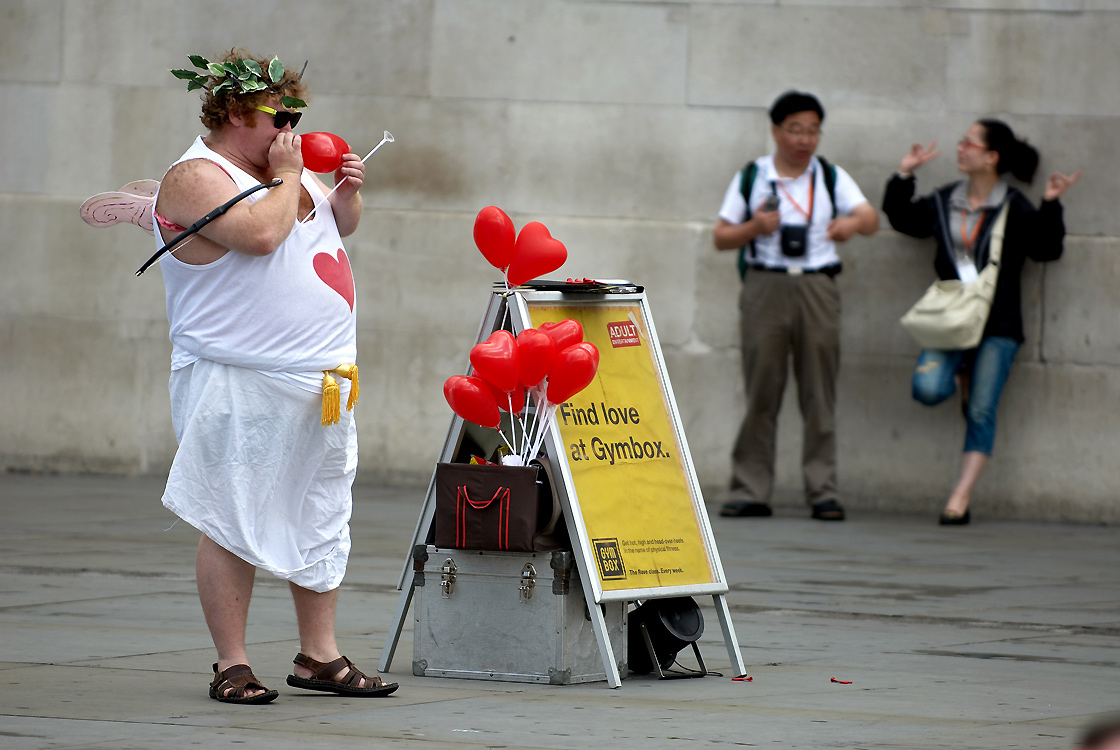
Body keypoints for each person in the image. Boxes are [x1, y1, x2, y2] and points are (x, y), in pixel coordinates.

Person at [153, 48, 397, 703]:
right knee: (233, 514)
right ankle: (231, 664)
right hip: (241, 375)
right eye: (278, 115)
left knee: (321, 510)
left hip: (320, 377)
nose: (291, 128)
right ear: (237, 112)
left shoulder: (287, 171)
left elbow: (335, 229)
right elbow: (262, 235)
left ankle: (319, 654)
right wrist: (292, 173)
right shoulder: (197, 174)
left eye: (296, 115)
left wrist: (344, 192)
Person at [882, 119, 1081, 525]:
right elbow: (903, 218)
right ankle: (961, 372)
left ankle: (960, 497)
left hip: (999, 323)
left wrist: (1052, 202)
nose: (960, 148)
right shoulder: (944, 201)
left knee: (980, 411)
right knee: (928, 388)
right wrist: (904, 173)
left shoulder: (1014, 204)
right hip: (951, 320)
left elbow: (1047, 249)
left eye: (968, 143)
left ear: (991, 157)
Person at [713, 91, 880, 521]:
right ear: (776, 131)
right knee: (761, 390)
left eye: (813, 130)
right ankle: (750, 489)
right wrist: (755, 226)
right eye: (795, 129)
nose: (805, 139)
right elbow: (721, 236)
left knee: (819, 390)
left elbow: (871, 218)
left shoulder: (829, 176)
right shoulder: (754, 175)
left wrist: (850, 224)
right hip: (765, 287)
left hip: (817, 287)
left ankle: (823, 490)